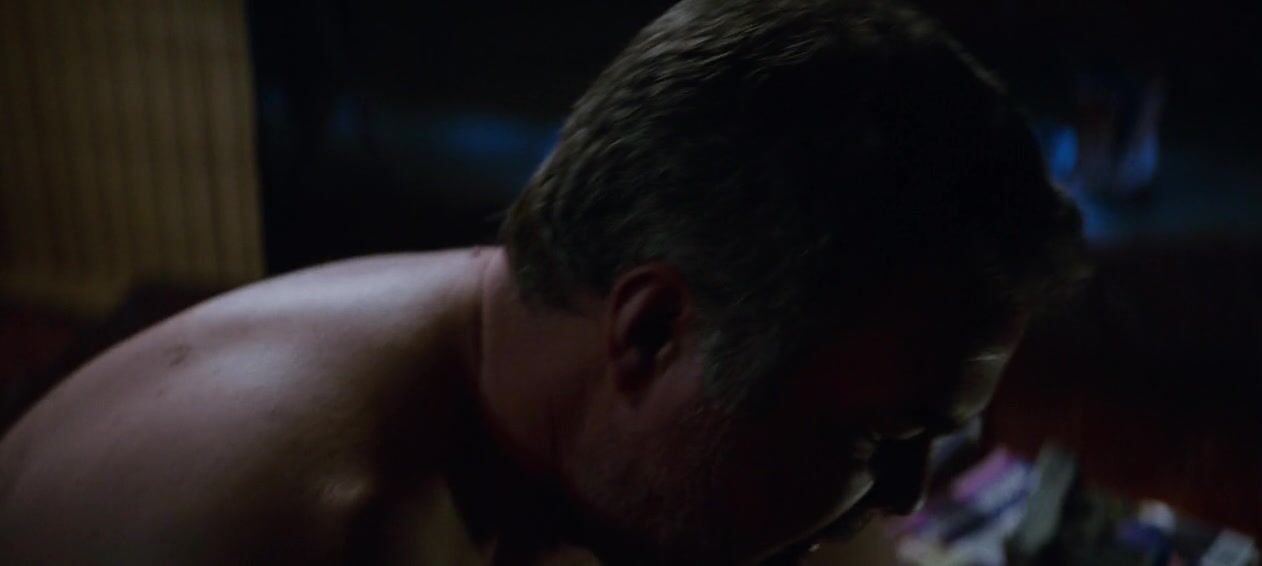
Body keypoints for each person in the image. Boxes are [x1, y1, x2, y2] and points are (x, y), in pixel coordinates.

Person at [0, 0, 1088, 563]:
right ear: (650, 329)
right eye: (876, 435)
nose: (906, 493)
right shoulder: (314, 531)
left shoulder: (524, 356)